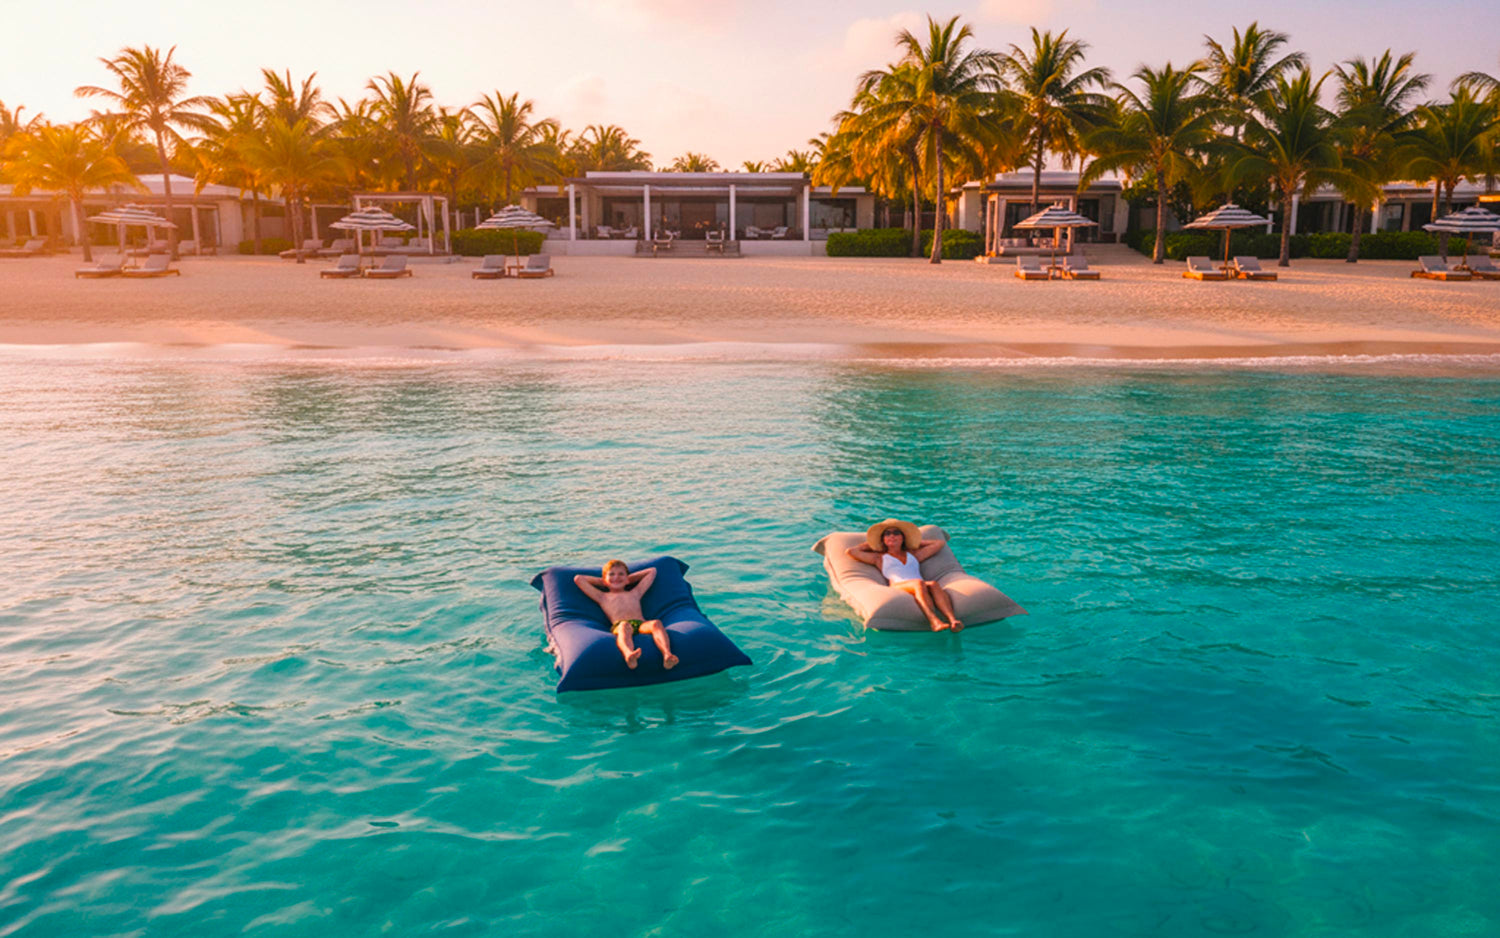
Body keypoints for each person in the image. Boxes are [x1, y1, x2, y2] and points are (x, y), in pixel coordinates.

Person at [845, 519, 963, 631]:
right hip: (898, 586)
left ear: (903, 538)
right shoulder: (879, 558)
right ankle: (934, 621)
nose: (892, 536)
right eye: (887, 534)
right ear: (883, 539)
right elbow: (851, 551)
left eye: (896, 533)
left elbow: (939, 543)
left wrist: (915, 543)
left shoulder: (913, 555)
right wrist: (873, 545)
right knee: (919, 583)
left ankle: (953, 621)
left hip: (919, 584)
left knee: (933, 584)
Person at [574, 561, 678, 670]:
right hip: (620, 625)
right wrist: (604, 581)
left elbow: (652, 571)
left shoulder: (635, 592)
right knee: (624, 626)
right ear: (604, 580)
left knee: (656, 623)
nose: (616, 577)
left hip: (640, 623)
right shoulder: (602, 597)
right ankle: (628, 654)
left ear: (628, 578)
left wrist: (628, 579)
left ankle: (667, 654)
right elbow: (579, 579)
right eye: (612, 574)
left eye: (621, 574)